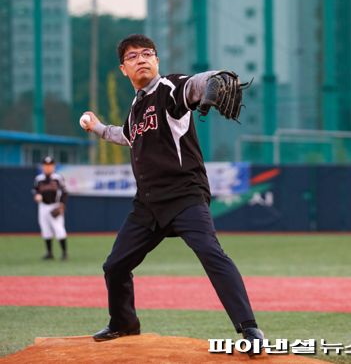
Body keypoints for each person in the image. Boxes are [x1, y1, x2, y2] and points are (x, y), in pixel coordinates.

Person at [82, 34, 264, 356]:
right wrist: (97, 127)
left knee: (211, 253)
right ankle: (124, 322)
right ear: (124, 69)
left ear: (157, 61)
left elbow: (197, 83)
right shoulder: (137, 107)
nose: (141, 59)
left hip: (184, 196)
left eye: (147, 53)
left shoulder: (170, 89)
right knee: (115, 266)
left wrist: (215, 81)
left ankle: (249, 328)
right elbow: (125, 136)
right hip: (148, 204)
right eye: (133, 56)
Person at [33, 156, 68, 260]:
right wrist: (37, 196)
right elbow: (36, 191)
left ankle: (64, 253)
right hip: (43, 207)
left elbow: (65, 192)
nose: (48, 167)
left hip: (55, 205)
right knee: (45, 230)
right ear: (43, 166)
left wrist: (62, 204)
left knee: (59, 229)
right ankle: (49, 253)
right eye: (46, 165)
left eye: (50, 165)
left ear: (53, 166)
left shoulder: (58, 178)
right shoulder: (38, 179)